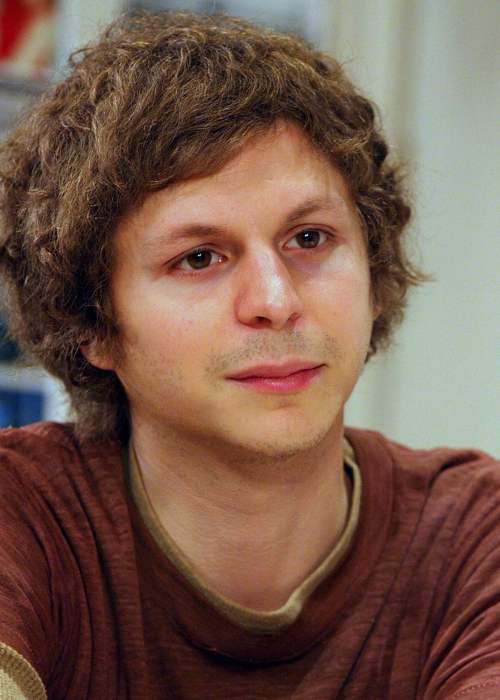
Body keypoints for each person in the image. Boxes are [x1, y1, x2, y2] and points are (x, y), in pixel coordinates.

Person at [0, 10, 498, 699]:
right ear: (94, 325)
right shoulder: (26, 519)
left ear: (375, 273)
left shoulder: (473, 536)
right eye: (199, 257)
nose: (275, 298)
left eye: (310, 239)